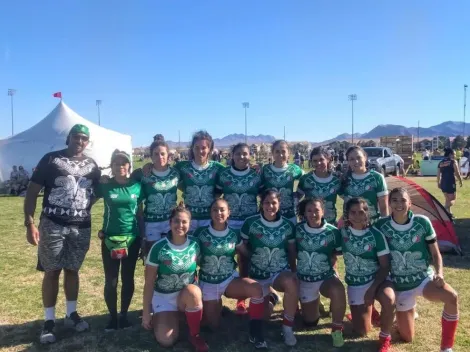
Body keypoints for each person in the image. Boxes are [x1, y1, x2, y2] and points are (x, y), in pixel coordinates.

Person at [23, 124, 100, 344]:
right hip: (53, 224)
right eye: (77, 137)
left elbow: (95, 192)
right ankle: (49, 320)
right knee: (52, 271)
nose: (80, 141)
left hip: (81, 227)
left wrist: (84, 208)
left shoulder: (92, 165)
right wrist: (29, 222)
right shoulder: (50, 159)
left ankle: (71, 313)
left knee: (73, 270)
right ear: (68, 138)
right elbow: (32, 191)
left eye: (85, 138)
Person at [376, 188, 459, 352]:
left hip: (423, 279)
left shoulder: (422, 222)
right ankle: (404, 315)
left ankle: (446, 347)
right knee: (407, 337)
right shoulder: (381, 225)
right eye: (395, 200)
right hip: (399, 284)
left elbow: (436, 254)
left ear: (410, 203)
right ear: (389, 203)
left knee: (452, 297)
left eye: (403, 200)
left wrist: (440, 273)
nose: (399, 204)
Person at [194, 199, 267, 349]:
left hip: (229, 280)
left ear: (229, 213)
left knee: (256, 288)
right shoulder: (200, 233)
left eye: (222, 210)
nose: (218, 213)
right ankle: (219, 309)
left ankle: (256, 333)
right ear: (210, 212)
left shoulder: (234, 233)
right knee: (214, 326)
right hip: (208, 282)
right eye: (215, 209)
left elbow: (246, 253)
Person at [142, 203, 209, 352]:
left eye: (184, 222)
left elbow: (202, 265)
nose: (180, 225)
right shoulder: (159, 247)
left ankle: (194, 335)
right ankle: (177, 317)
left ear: (190, 224)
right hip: (164, 297)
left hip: (186, 294)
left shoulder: (195, 244)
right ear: (170, 223)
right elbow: (149, 282)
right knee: (166, 340)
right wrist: (146, 311)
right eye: (176, 221)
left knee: (193, 291)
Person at [238, 189, 299, 347]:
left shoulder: (287, 224)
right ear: (261, 204)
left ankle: (287, 328)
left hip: (280, 272)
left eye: (274, 202)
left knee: (292, 282)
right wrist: (243, 277)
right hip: (257, 275)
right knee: (263, 316)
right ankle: (271, 297)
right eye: (266, 202)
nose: (270, 206)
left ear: (279, 204)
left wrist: (294, 272)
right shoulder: (250, 223)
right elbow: (242, 253)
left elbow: (292, 252)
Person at [94, 150, 144, 331]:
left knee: (128, 278)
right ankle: (112, 318)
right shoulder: (105, 186)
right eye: (116, 163)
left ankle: (124, 315)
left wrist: (143, 237)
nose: (120, 166)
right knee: (111, 281)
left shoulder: (137, 186)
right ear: (112, 166)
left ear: (129, 166)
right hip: (110, 239)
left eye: (123, 163)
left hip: (132, 239)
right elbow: (89, 198)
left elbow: (140, 214)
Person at [339, 197, 395, 352]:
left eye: (362, 211)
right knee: (361, 331)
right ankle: (370, 312)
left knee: (389, 299)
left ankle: (385, 337)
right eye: (353, 212)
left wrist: (372, 289)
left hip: (377, 279)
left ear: (367, 213)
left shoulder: (376, 235)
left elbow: (385, 266)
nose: (358, 215)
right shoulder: (342, 233)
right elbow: (332, 252)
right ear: (347, 214)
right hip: (356, 283)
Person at [216, 143, 263, 314]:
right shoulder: (224, 174)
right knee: (225, 256)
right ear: (232, 156)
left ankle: (242, 299)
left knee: (246, 258)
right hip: (230, 222)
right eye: (238, 154)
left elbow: (264, 195)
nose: (242, 157)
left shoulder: (256, 174)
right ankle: (216, 295)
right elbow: (216, 195)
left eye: (245, 154)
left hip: (250, 222)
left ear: (250, 155)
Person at [295, 198, 346, 348]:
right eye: (309, 210)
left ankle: (337, 329)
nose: (313, 214)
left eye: (316, 210)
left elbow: (334, 254)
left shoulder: (333, 231)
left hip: (325, 277)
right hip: (305, 279)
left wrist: (334, 272)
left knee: (338, 289)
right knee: (310, 322)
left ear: (323, 211)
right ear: (304, 212)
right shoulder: (297, 229)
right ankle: (316, 305)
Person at [138, 138, 180, 253]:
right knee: (152, 257)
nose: (160, 157)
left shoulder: (176, 173)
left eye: (163, 154)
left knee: (170, 256)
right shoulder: (143, 174)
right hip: (151, 223)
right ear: (151, 156)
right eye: (156, 154)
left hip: (170, 221)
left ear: (168, 155)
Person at [339, 146, 389, 225]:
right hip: (350, 227)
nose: (356, 161)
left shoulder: (377, 177)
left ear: (365, 157)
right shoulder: (345, 178)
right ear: (348, 161)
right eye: (351, 159)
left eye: (359, 157)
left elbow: (384, 207)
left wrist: (384, 226)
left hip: (371, 226)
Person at [261, 140, 304, 224]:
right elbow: (259, 189)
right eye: (277, 151)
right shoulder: (265, 170)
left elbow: (306, 180)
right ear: (272, 153)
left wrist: (296, 196)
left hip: (289, 215)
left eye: (283, 151)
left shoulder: (295, 169)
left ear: (288, 153)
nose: (280, 154)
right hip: (269, 215)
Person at [298, 147, 341, 226]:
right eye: (315, 161)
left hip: (329, 224)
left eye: (321, 160)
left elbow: (348, 199)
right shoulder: (305, 179)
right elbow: (296, 198)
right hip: (309, 224)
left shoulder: (337, 180)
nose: (318, 163)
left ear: (328, 159)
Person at [437, 148, 463, 216]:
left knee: (447, 199)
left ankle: (448, 214)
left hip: (443, 183)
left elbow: (438, 174)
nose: (455, 156)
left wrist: (438, 183)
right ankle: (443, 209)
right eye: (454, 154)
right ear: (450, 154)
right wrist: (460, 180)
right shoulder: (453, 161)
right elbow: (457, 173)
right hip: (450, 182)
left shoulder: (441, 162)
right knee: (453, 199)